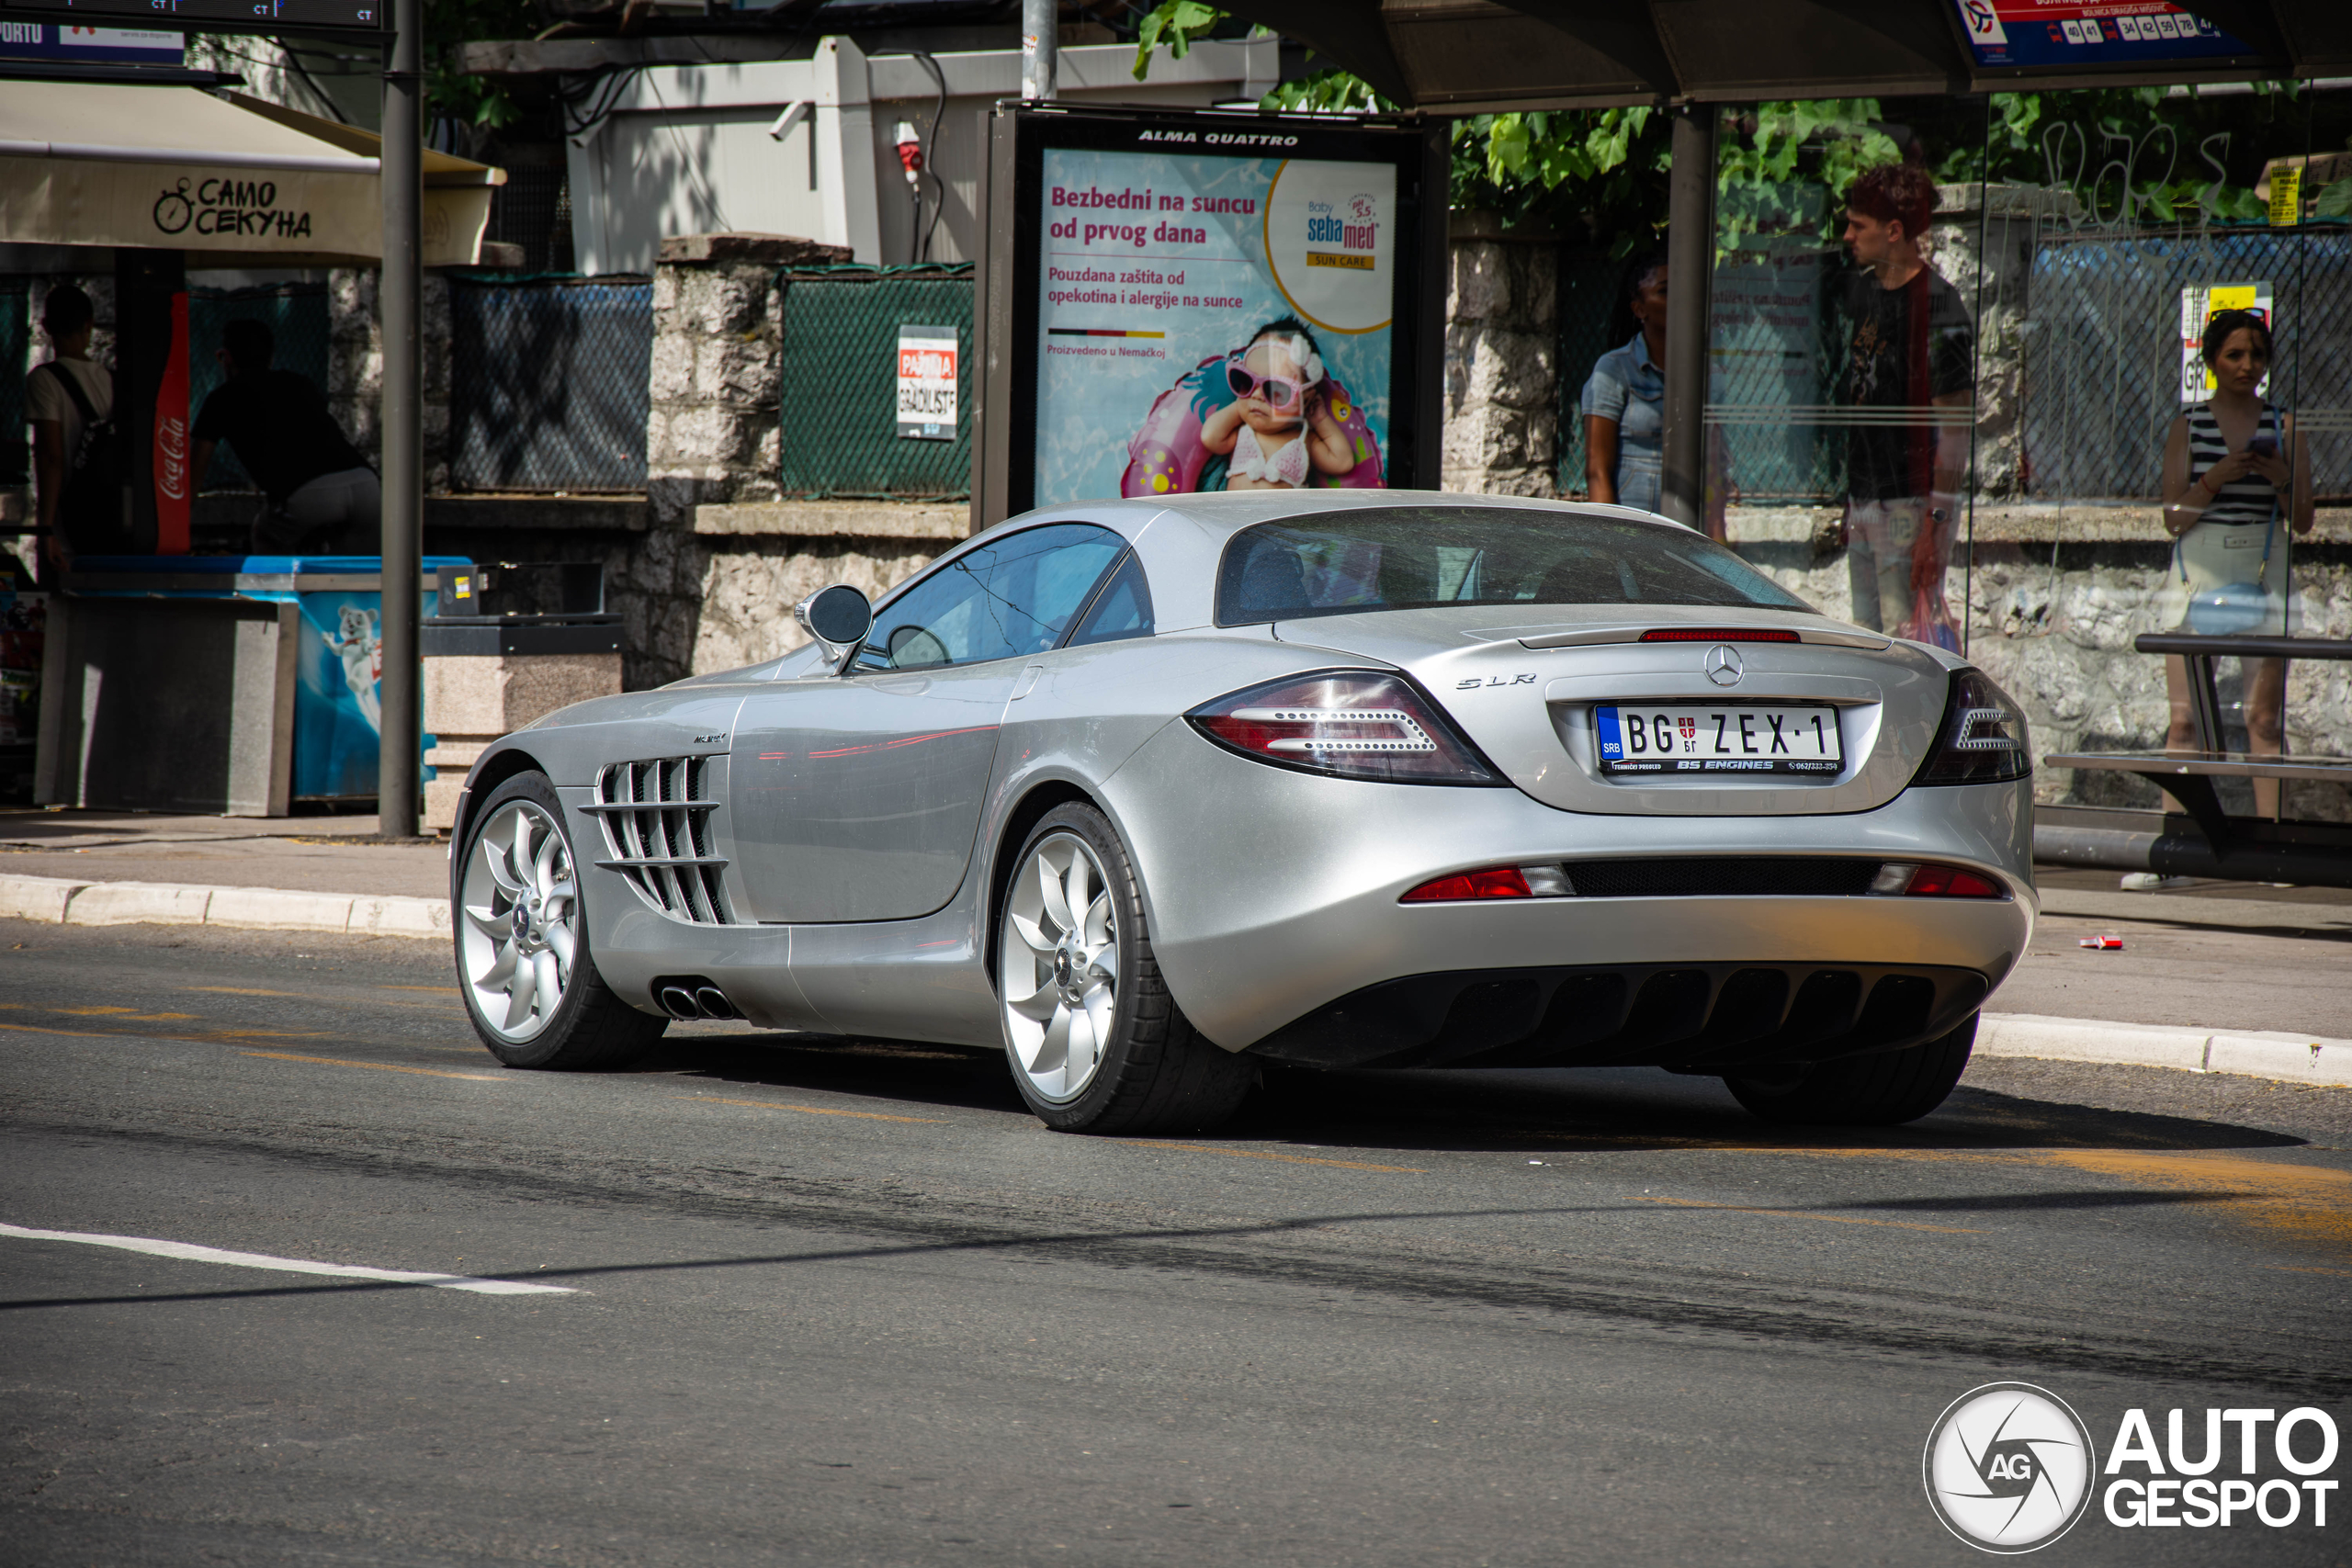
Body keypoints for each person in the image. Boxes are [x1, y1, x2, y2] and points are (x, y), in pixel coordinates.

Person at [2154, 307, 2312, 823]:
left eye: (2257, 356)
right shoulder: (2189, 424)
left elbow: (2305, 520)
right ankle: (2175, 843)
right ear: (2212, 361)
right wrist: (2215, 477)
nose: (2247, 366)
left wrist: (2282, 477)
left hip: (2262, 569)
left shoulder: (2285, 426)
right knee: (2184, 720)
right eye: (2235, 355)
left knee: (2263, 719)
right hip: (2198, 573)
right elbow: (2173, 518)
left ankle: (2273, 845)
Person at [1836, 162, 1974, 643]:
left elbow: (1955, 432)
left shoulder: (1938, 305)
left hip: (1910, 503)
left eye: (1859, 226)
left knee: (1905, 645)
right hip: (1867, 499)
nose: (1849, 236)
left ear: (1893, 231)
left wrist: (1933, 531)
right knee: (1865, 640)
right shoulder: (1866, 293)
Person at [191, 319, 380, 555]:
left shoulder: (220, 399)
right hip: (366, 485)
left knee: (264, 534)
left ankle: (271, 591)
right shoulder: (300, 383)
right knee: (356, 569)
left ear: (226, 358)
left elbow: (194, 476)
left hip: (310, 494)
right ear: (270, 357)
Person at [1579, 250, 1730, 537]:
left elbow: (1714, 468)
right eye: (1665, 291)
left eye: (1684, 290)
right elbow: (1597, 469)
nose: (1679, 301)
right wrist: (1612, 543)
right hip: (1634, 532)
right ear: (1639, 309)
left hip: (1689, 532)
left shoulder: (1708, 373)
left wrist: (1717, 540)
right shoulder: (1614, 371)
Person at [23, 285, 115, 582]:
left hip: (67, 523)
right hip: (107, 518)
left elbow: (51, 456)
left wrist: (45, 528)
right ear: (89, 324)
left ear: (46, 326)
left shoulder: (44, 379)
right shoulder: (111, 380)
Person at [1200, 319, 1356, 491]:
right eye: (1247, 381)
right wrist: (1241, 404)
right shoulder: (1242, 433)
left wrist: (1321, 421)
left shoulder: (1305, 440)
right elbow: (1210, 437)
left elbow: (1343, 462)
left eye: (1275, 389)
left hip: (1280, 518)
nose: (1257, 395)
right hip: (1236, 516)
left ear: (1306, 398)